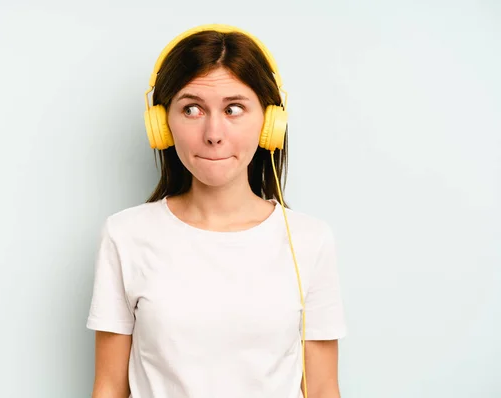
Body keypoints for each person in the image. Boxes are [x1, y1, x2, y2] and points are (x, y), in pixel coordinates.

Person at [86, 24, 347, 398]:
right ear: (161, 124)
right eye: (192, 108)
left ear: (269, 123)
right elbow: (110, 387)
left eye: (234, 109)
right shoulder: (124, 235)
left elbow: (322, 389)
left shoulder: (309, 240)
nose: (213, 133)